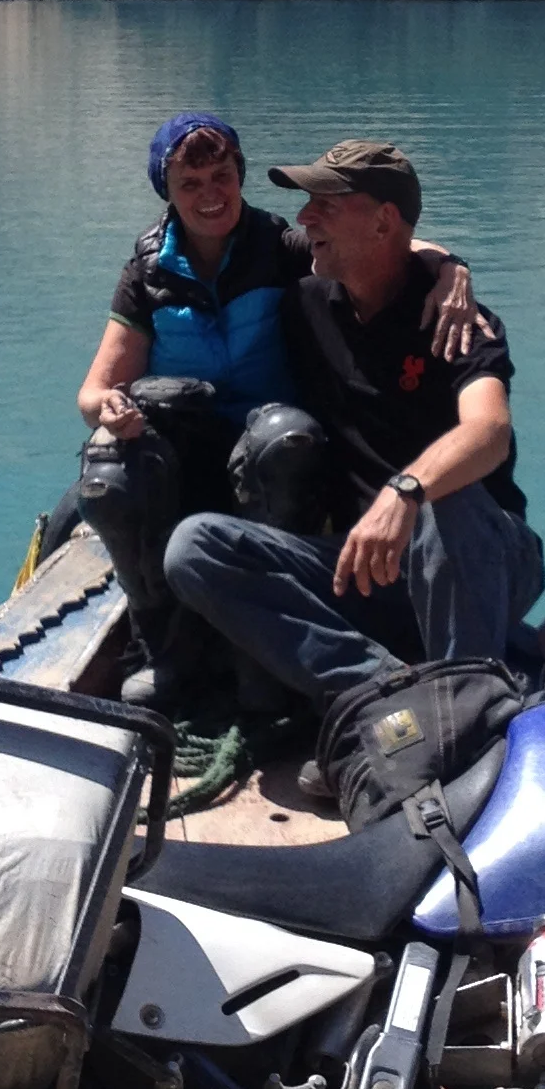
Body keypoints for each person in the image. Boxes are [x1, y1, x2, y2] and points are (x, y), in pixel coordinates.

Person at [73, 113, 481, 713]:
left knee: (287, 441)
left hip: (269, 454)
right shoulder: (148, 272)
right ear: (168, 192)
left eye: (223, 176)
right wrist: (107, 408)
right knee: (108, 476)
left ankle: (262, 659)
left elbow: (383, 239)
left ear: (239, 176)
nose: (211, 195)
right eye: (192, 184)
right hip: (183, 452)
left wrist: (451, 266)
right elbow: (93, 391)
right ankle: (167, 652)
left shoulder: (281, 247)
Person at [162, 140, 545, 713]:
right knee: (196, 548)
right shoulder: (309, 301)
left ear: (384, 222)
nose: (304, 217)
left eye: (326, 204)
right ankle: (388, 697)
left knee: (451, 501)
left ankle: (460, 713)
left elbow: (488, 430)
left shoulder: (458, 322)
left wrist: (407, 492)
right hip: (366, 567)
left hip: (481, 561)